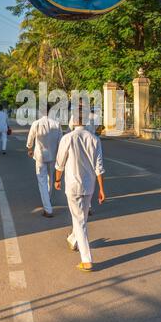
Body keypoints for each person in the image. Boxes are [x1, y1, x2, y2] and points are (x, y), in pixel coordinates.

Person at [55, 109, 105, 272]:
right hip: (89, 186)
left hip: (72, 185)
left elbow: (59, 163)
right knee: (81, 218)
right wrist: (101, 189)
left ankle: (86, 260)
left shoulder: (67, 138)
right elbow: (99, 167)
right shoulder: (95, 139)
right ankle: (72, 238)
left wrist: (56, 180)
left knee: (80, 221)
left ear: (73, 121)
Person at [27, 105, 63, 218]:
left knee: (42, 181)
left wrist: (29, 148)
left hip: (40, 156)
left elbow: (30, 139)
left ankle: (48, 209)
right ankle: (47, 200)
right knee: (50, 179)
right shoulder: (56, 124)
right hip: (53, 156)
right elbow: (61, 142)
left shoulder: (36, 123)